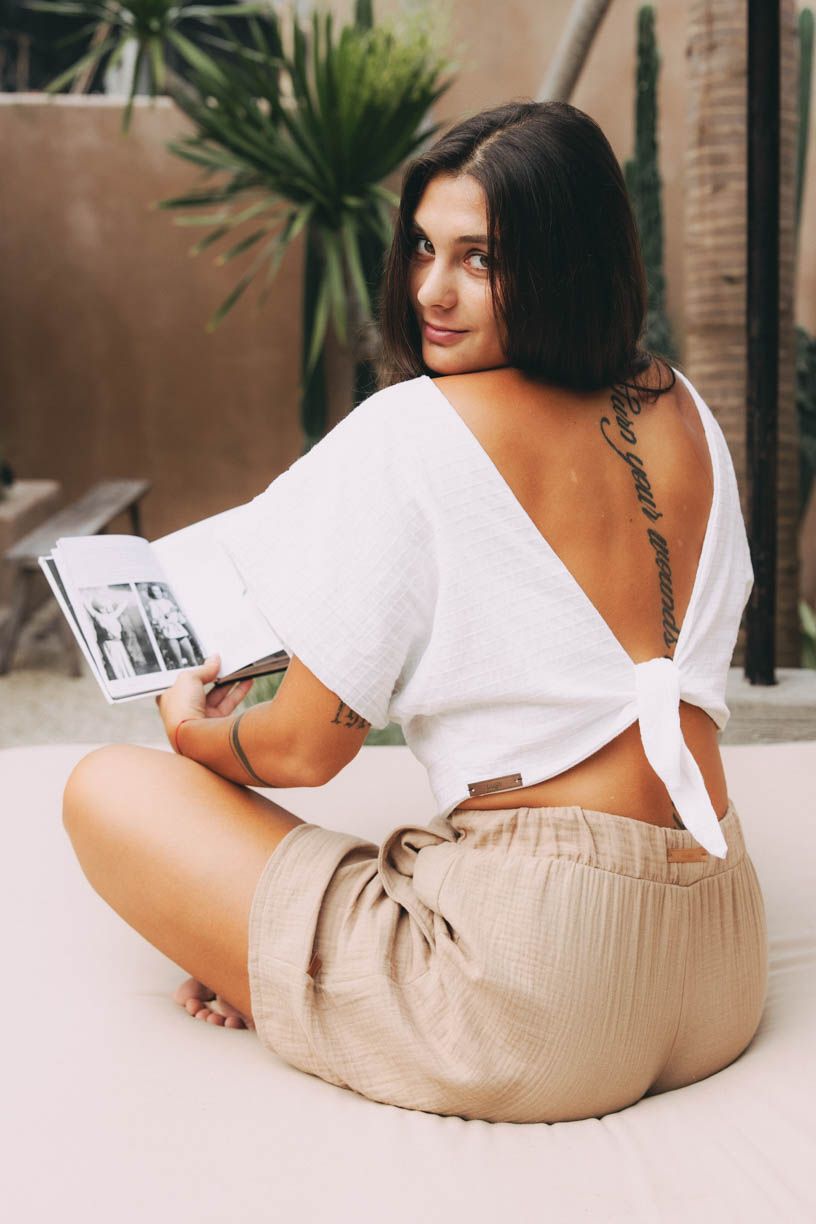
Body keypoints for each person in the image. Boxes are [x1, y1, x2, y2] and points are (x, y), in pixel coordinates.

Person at [61, 100, 767, 1123]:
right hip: (722, 962)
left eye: (482, 259)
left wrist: (192, 729)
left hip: (539, 1001)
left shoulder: (415, 429)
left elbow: (303, 751)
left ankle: (280, 971)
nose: (431, 290)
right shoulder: (681, 406)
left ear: (566, 263)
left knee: (106, 789)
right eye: (424, 248)